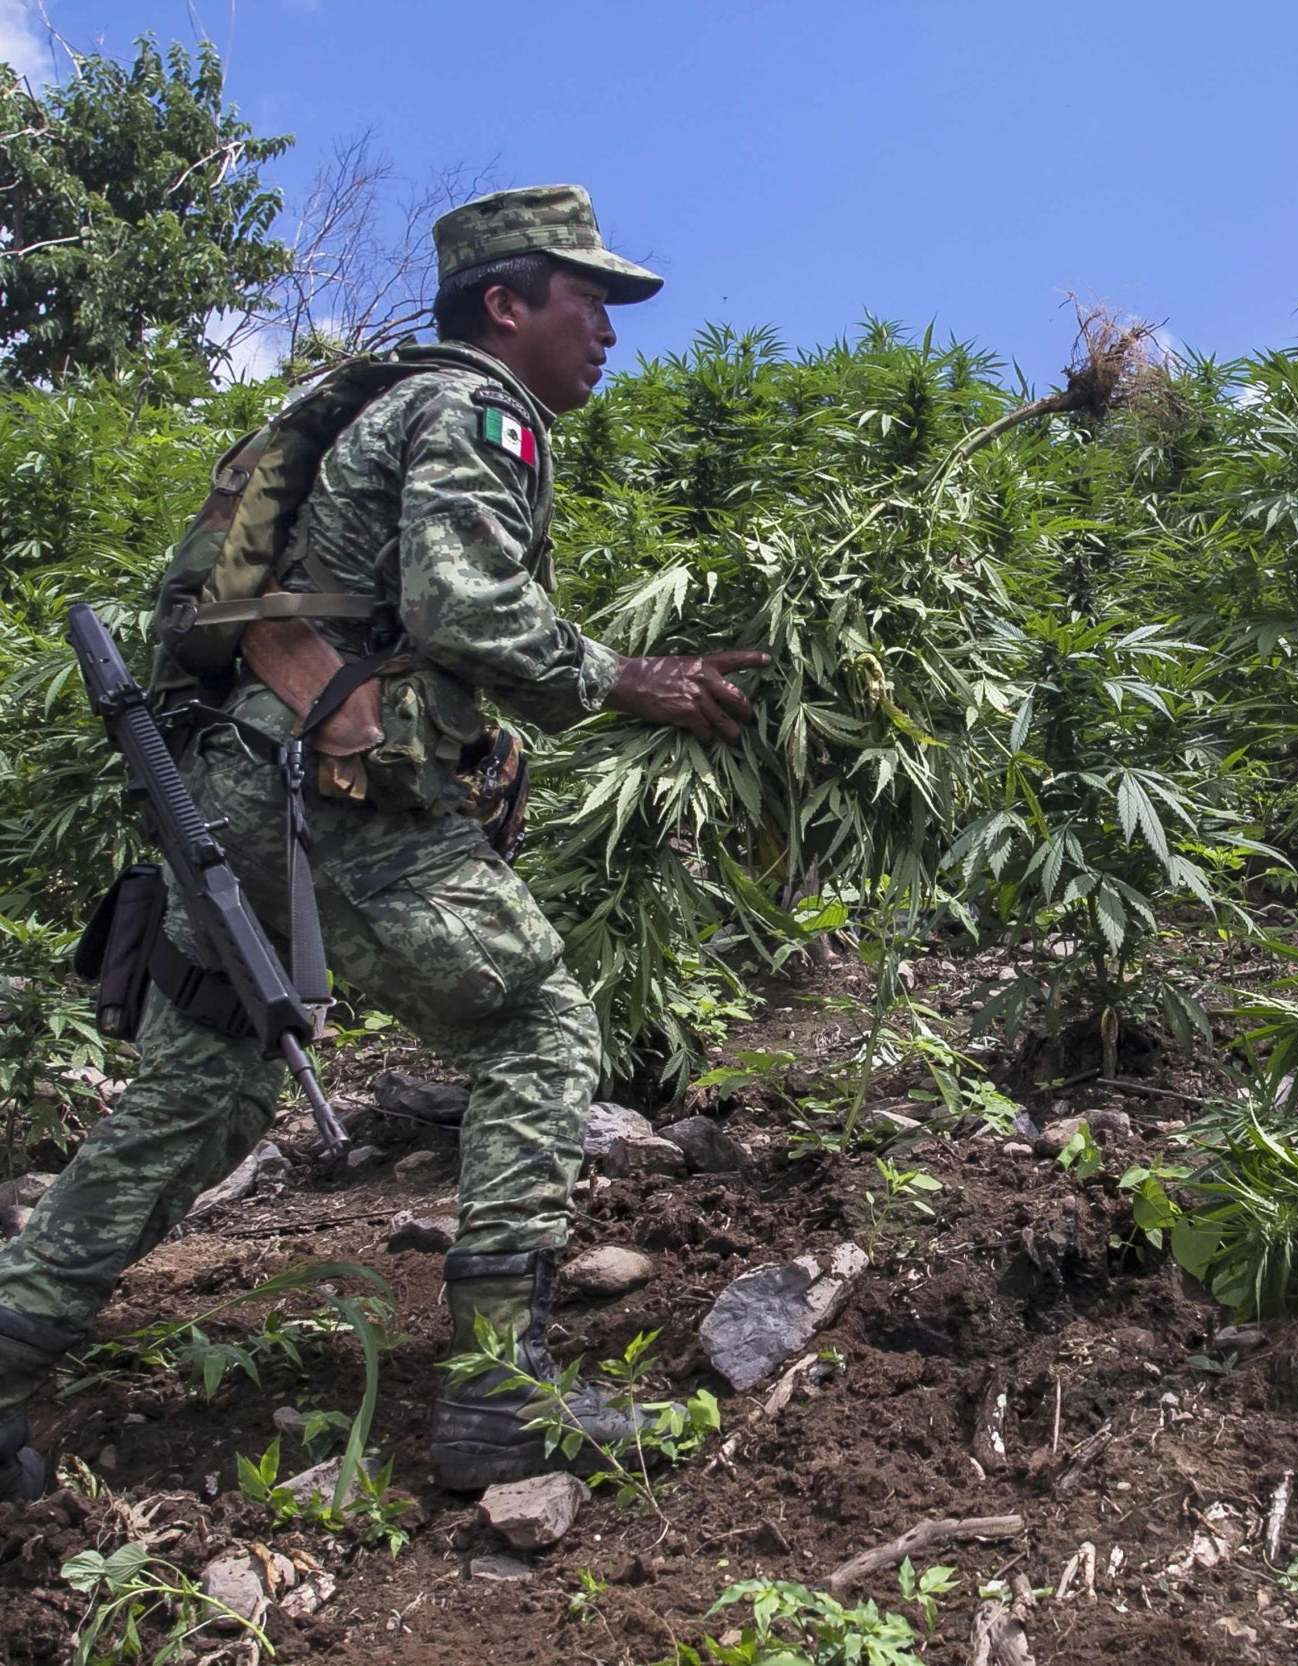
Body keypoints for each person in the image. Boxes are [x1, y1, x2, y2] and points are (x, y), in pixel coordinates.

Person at [0, 184, 767, 1498]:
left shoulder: (378, 402)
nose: (609, 331)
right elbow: (461, 609)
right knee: (534, 1029)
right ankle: (501, 1400)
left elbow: (379, 620)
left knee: (203, 1097)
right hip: (329, 800)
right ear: (505, 303)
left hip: (237, 794)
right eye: (589, 300)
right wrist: (638, 678)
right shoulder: (478, 408)